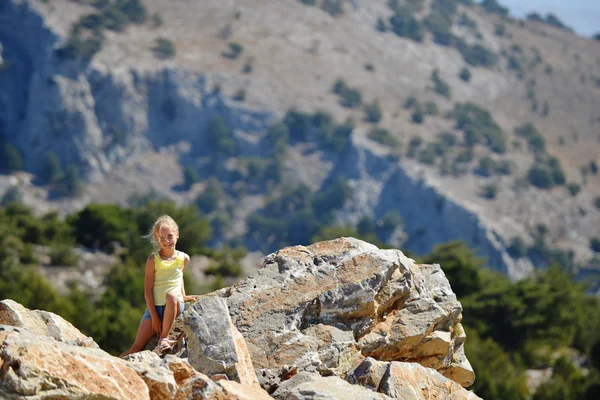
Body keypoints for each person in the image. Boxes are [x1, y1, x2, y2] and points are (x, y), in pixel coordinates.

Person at [120, 215, 197, 357]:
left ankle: (164, 338)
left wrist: (184, 296)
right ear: (157, 239)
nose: (166, 241)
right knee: (136, 348)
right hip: (154, 308)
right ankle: (114, 365)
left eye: (170, 236)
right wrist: (154, 316)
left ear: (177, 235)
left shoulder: (184, 258)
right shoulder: (152, 260)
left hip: (174, 304)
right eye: (161, 238)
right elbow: (148, 291)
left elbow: (179, 277)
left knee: (172, 296)